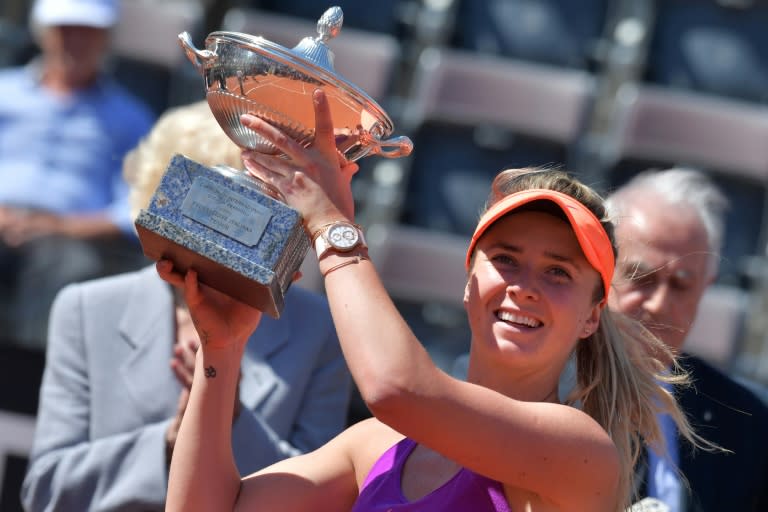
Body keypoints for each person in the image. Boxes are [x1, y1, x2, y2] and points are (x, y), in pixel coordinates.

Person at [159, 89, 709, 511]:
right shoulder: (377, 444)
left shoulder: (581, 448)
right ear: (468, 282)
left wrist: (332, 226)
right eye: (507, 259)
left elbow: (396, 388)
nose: (525, 285)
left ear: (593, 314)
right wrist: (223, 350)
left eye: (559, 272)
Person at [20, 100, 352, 512]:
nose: (222, 225)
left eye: (256, 198)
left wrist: (230, 420)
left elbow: (326, 499)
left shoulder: (317, 327)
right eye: (205, 199)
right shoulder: (87, 309)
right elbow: (46, 489)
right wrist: (166, 443)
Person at [607, 168, 768, 512]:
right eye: (641, 277)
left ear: (704, 289)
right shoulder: (542, 390)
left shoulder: (744, 421)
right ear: (603, 269)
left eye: (680, 284)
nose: (659, 304)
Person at [0, 0, 155, 348]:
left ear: (106, 38)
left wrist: (61, 226)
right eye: (65, 30)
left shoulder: (131, 117)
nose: (76, 42)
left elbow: (134, 205)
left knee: (70, 270)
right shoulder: (3, 92)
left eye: (88, 31)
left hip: (70, 237)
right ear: (43, 33)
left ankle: (29, 382)